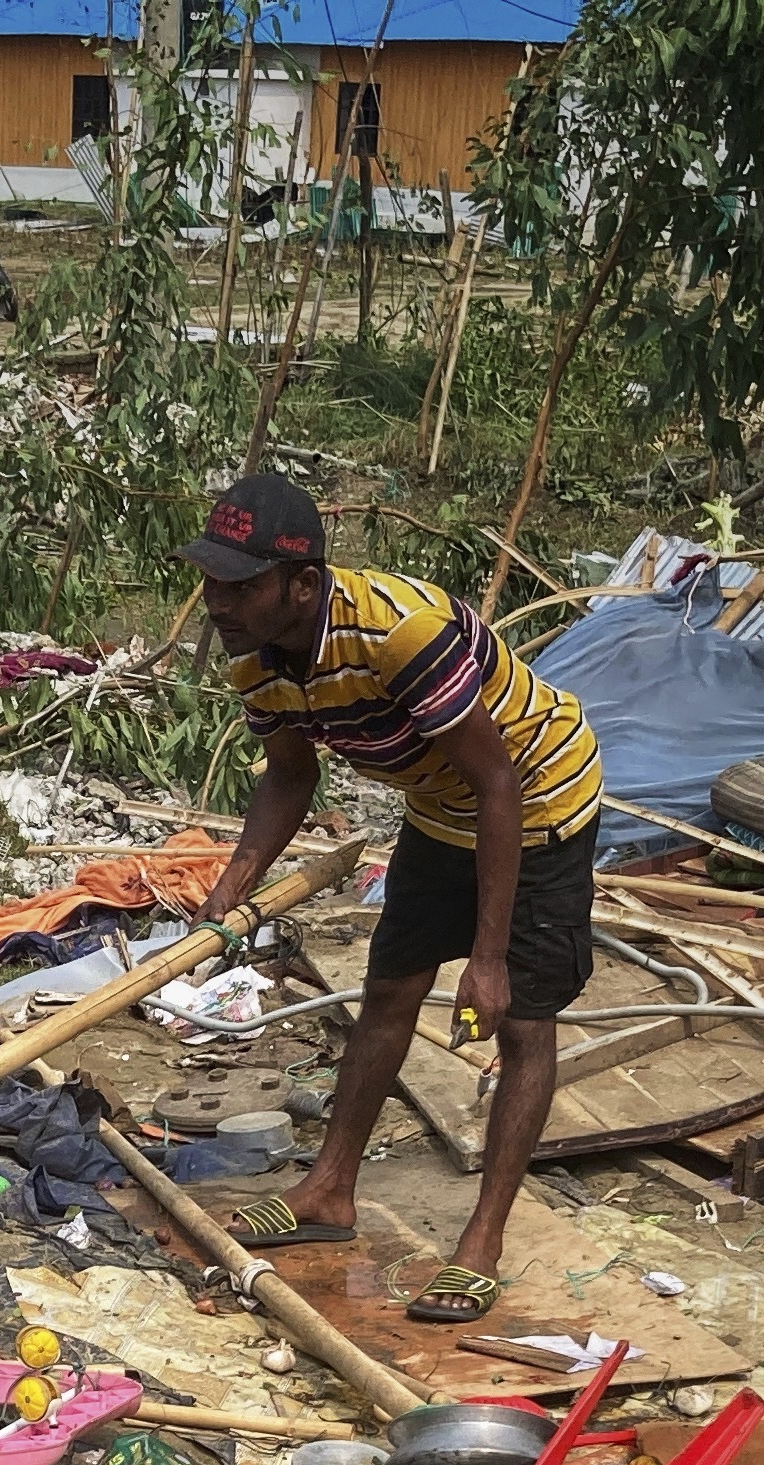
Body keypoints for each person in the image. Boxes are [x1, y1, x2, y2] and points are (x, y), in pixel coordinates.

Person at [180, 471, 607, 1322]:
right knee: (388, 994)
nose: (217, 603)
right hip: (442, 811)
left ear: (303, 585)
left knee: (521, 1023)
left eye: (240, 585)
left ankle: (481, 1240)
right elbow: (289, 776)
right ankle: (329, 1189)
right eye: (211, 582)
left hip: (536, 802)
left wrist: (487, 959)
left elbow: (499, 783)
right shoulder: (254, 656)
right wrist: (229, 890)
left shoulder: (400, 636)